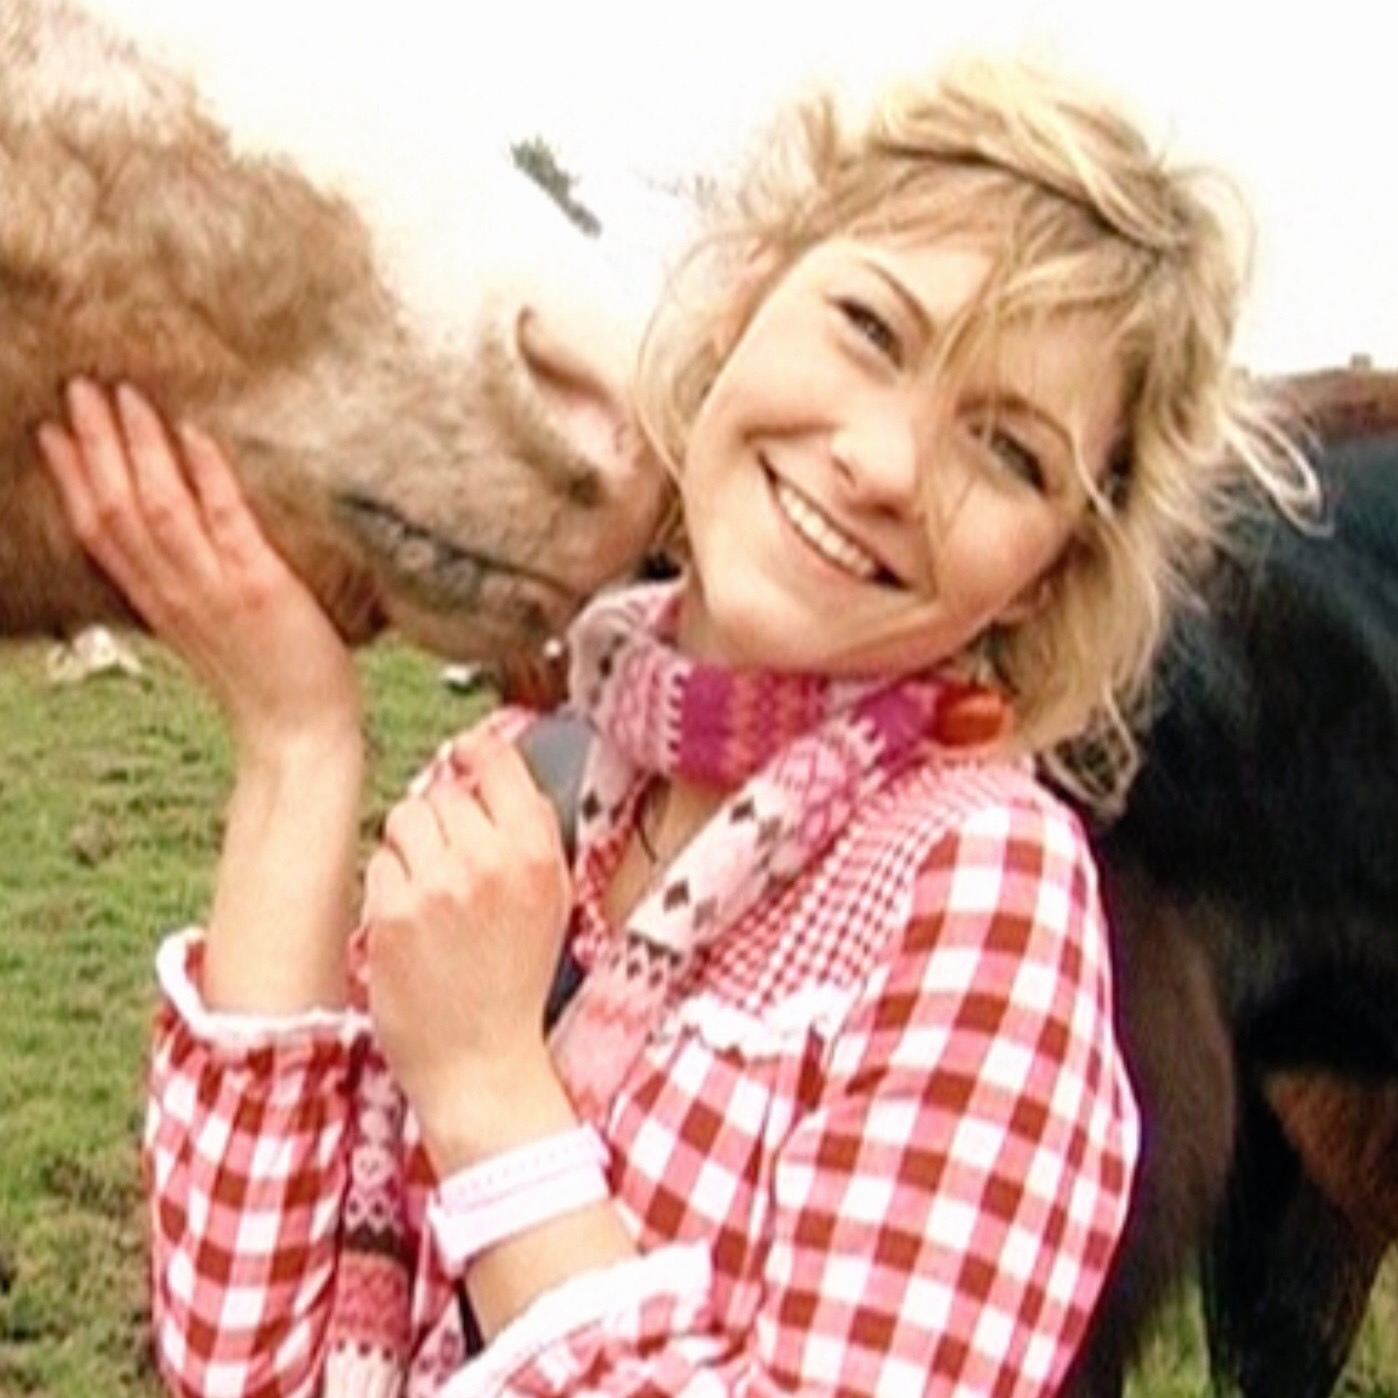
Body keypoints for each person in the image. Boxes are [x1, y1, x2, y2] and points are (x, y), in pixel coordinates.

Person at [38, 54, 1312, 1398]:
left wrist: (488, 1089)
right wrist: (297, 749)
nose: (885, 466)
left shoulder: (979, 898)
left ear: (1047, 572)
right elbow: (244, 1359)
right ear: (745, 300)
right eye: (871, 330)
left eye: (1007, 452)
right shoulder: (520, 784)